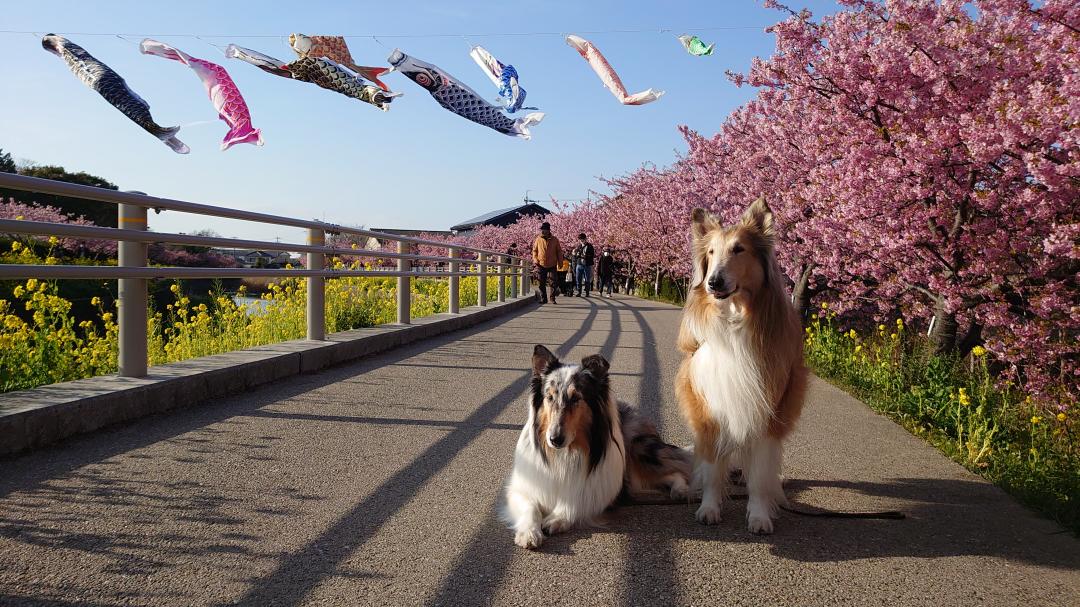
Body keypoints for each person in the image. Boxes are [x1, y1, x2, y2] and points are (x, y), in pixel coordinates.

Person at [531, 222, 563, 304]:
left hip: (552, 263)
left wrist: (560, 262)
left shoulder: (555, 239)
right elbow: (534, 251)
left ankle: (552, 298)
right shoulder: (538, 239)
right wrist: (535, 259)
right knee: (541, 282)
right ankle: (543, 298)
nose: (542, 231)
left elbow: (559, 251)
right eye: (542, 230)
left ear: (548, 230)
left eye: (544, 230)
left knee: (553, 282)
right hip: (541, 264)